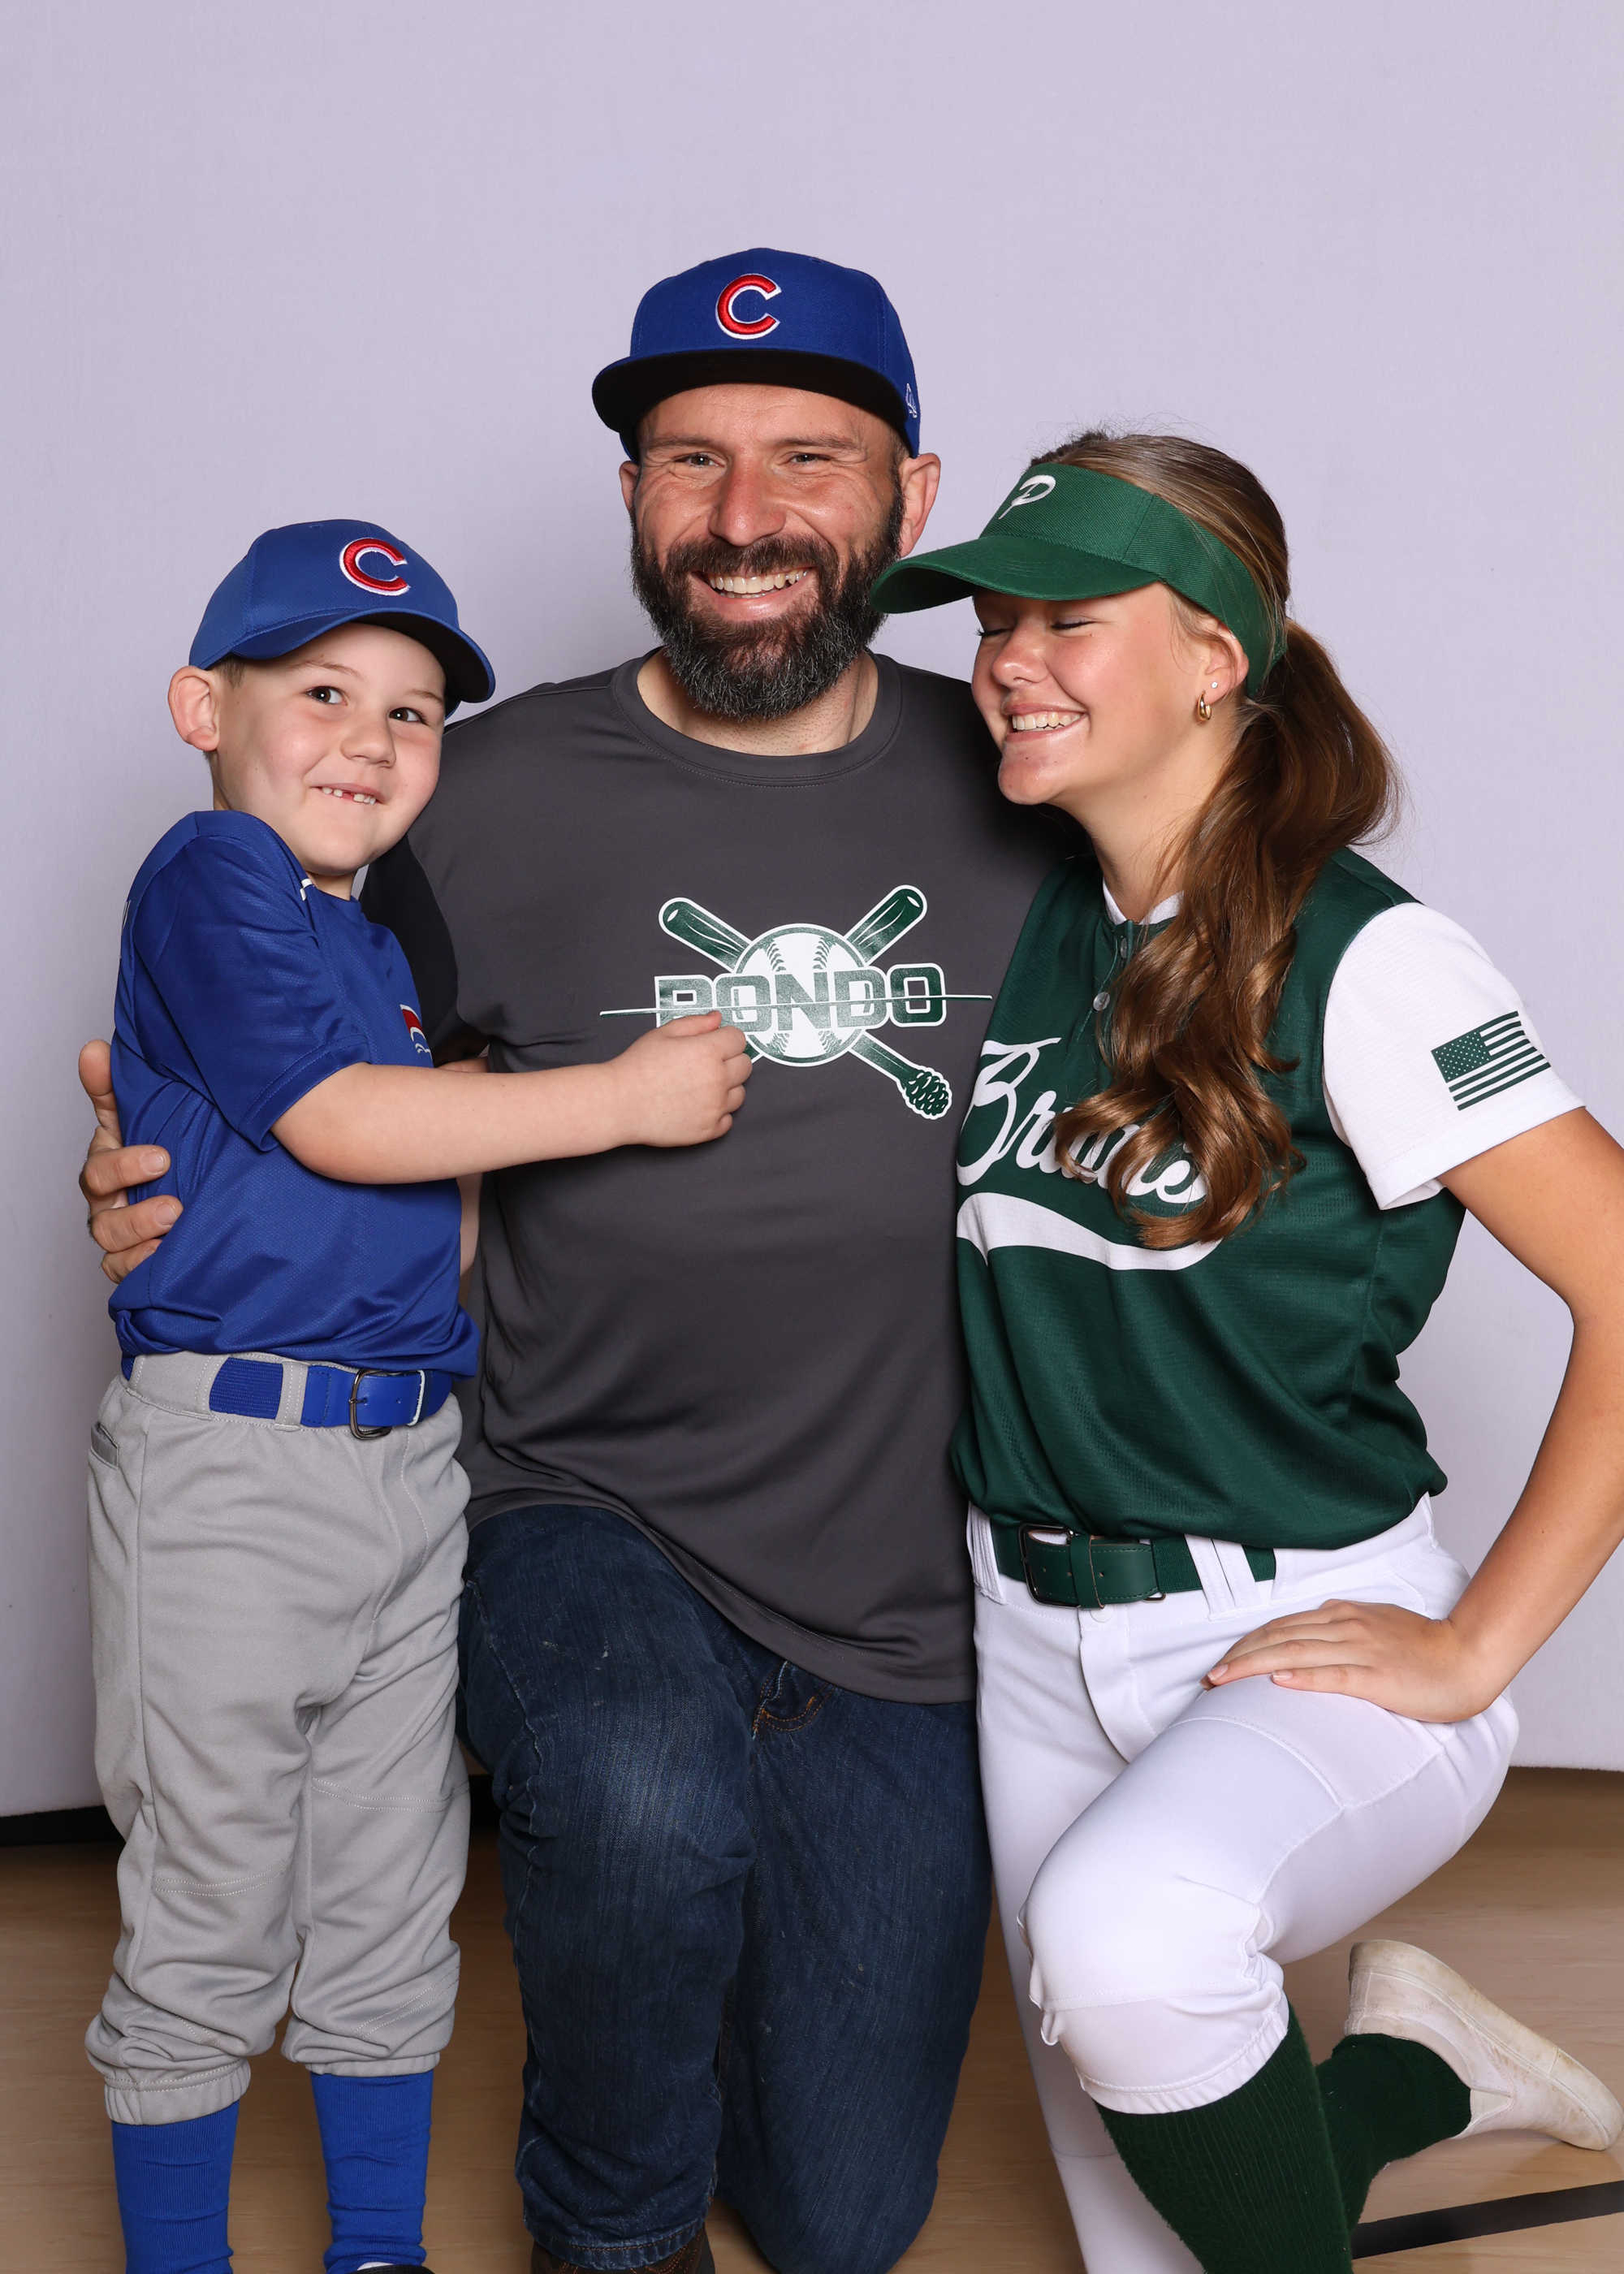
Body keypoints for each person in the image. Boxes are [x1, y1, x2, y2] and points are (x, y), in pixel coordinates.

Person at [80, 253, 1059, 2274]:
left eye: (808, 458)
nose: (742, 515)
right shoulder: (468, 791)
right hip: (571, 1499)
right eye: (688, 460)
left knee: (842, 2220)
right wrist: (169, 1183)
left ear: (909, 491)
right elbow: (323, 1081)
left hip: (893, 1578)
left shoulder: (1029, 782)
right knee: (632, 1791)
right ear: (628, 495)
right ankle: (601, 2234)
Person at [868, 432, 1624, 2274]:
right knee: (1152, 2239)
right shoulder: (1038, 921)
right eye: (990, 624)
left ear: (1217, 653)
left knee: (1128, 1945)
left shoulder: (1369, 959)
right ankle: (1420, 2069)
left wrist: (1479, 1643)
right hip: (1028, 1635)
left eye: (1067, 619)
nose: (1008, 662)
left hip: (1296, 1627)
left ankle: (1405, 2066)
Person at [88, 519, 748, 2274]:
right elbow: (336, 1124)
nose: (371, 740)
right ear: (202, 708)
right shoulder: (212, 868)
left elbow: (418, 1201)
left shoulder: (374, 945)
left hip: (403, 1465)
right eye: (322, 693)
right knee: (213, 1890)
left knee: (390, 1890)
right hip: (234, 1467)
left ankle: (375, 2246)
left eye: (413, 713)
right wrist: (620, 1101)